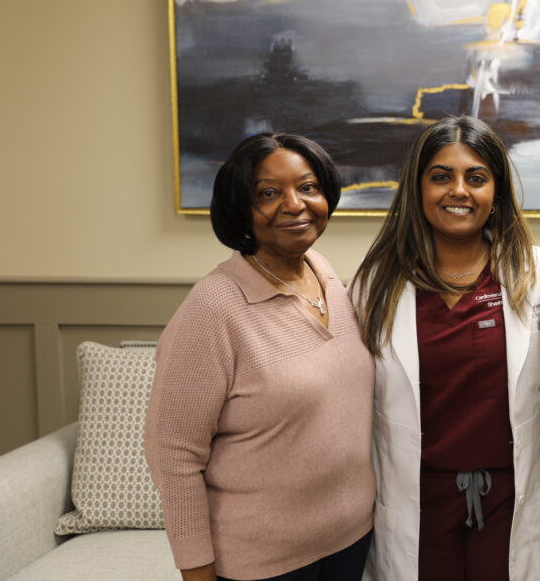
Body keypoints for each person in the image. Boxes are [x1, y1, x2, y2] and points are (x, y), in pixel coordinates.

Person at [144, 132, 374, 581]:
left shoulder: (332, 281)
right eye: (269, 193)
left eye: (308, 187)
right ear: (241, 209)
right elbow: (172, 456)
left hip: (352, 541)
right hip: (262, 564)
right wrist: (196, 571)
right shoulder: (213, 308)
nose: (294, 204)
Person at [350, 115, 540, 581]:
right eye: (441, 176)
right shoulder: (375, 284)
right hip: (418, 500)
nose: (459, 191)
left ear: (497, 192)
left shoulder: (539, 273)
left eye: (477, 178)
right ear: (417, 188)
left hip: (512, 498)